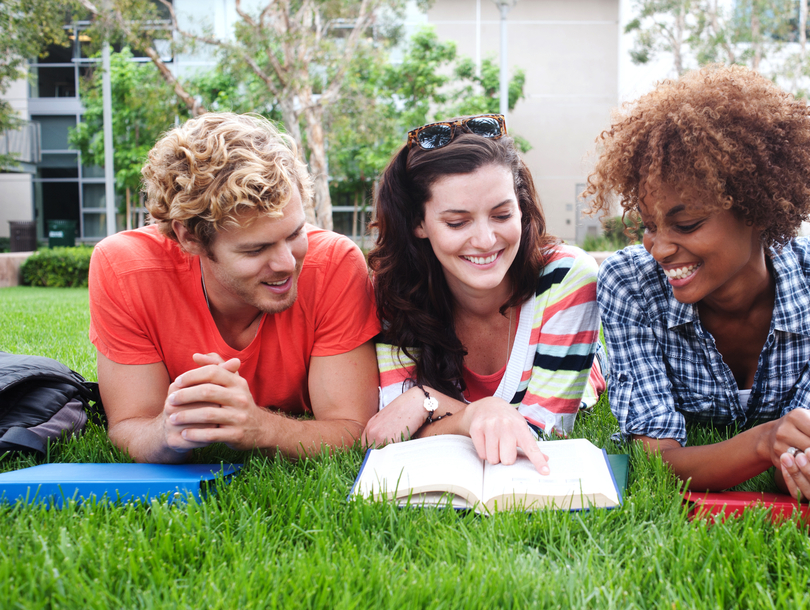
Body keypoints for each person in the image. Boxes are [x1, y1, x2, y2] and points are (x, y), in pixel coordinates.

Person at [585, 65, 810, 503]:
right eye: (648, 225)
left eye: (686, 223)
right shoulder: (630, 283)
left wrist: (809, 463)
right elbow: (655, 458)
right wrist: (767, 442)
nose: (659, 248)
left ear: (757, 211)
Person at [89, 113, 381, 463]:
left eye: (294, 234)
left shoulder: (335, 263)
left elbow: (352, 428)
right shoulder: (124, 268)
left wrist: (263, 429)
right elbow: (129, 424)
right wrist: (167, 430)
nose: (287, 263)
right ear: (190, 237)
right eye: (255, 249)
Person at [362, 114, 604, 475]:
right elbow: (393, 427)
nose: (486, 240)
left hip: (581, 365)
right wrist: (474, 414)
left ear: (521, 209)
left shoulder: (568, 278)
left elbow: (542, 432)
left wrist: (428, 404)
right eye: (457, 222)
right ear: (418, 223)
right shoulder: (395, 289)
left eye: (502, 214)